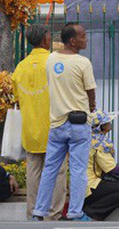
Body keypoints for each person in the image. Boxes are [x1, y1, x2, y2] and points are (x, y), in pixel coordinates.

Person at [31, 23, 97, 222]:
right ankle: (76, 213)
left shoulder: (51, 59)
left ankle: (39, 212)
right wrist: (92, 105)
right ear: (72, 40)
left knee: (49, 169)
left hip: (57, 124)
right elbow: (90, 91)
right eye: (83, 36)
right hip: (79, 125)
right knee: (78, 170)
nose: (86, 39)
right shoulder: (83, 62)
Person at [11, 25, 67, 220]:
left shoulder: (20, 67)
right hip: (55, 126)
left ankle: (33, 213)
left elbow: (17, 98)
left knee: (33, 172)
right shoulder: (55, 62)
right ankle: (53, 214)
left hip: (30, 130)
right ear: (45, 39)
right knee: (57, 172)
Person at [83, 110, 119, 220]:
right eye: (108, 122)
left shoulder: (86, 139)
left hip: (78, 185)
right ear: (102, 126)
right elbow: (112, 168)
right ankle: (91, 212)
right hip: (90, 185)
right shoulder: (99, 143)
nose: (110, 124)